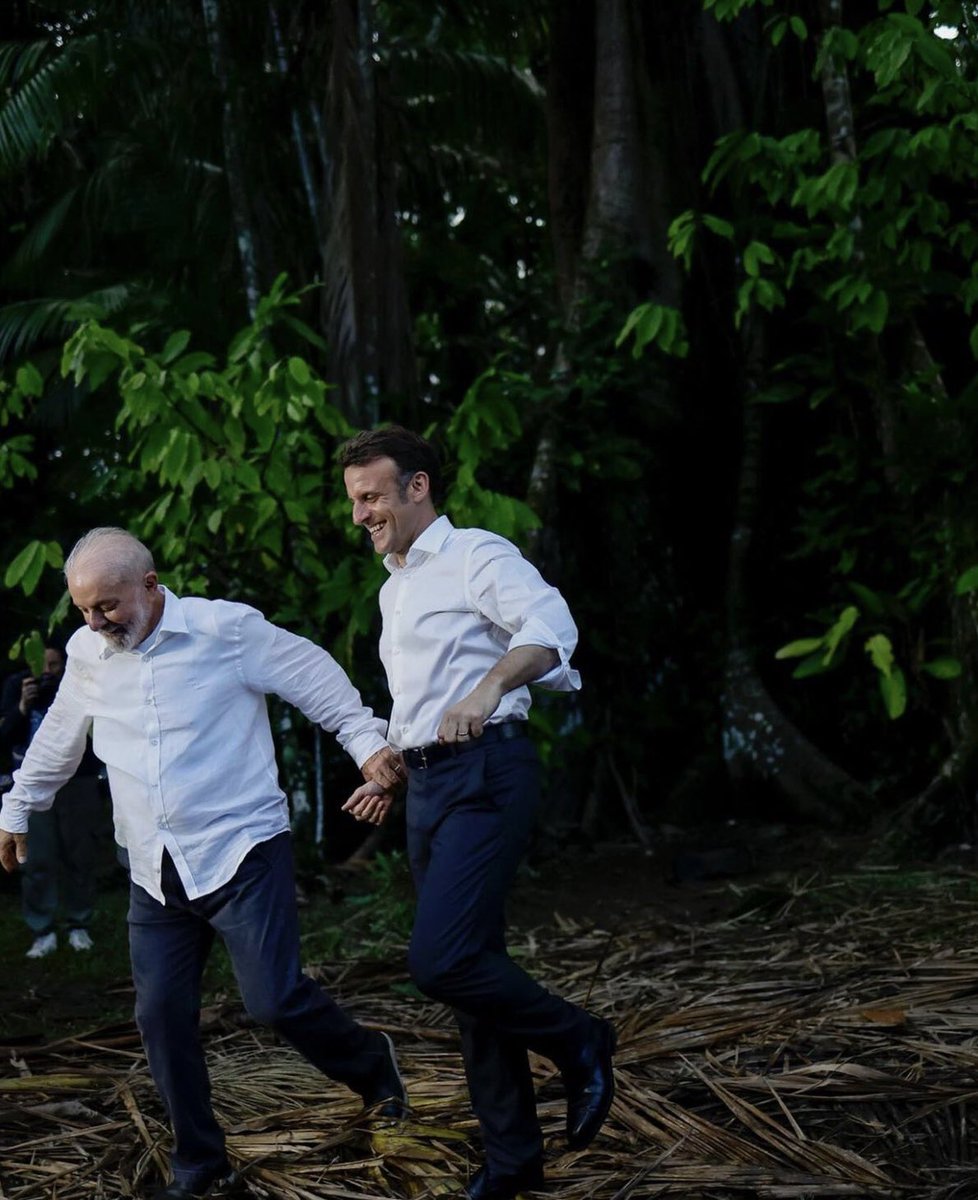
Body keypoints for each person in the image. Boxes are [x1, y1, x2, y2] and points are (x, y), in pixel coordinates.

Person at [0, 528, 407, 1200]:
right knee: (160, 1016)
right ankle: (200, 1164)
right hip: (152, 866)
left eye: (109, 606)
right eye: (84, 611)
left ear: (151, 585)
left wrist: (367, 744)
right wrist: (18, 809)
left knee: (272, 999)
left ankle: (373, 1067)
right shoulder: (87, 653)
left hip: (241, 849)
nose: (97, 623)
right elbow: (59, 738)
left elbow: (314, 677)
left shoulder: (226, 630)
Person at [340, 427, 616, 1200]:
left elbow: (551, 631)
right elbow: (423, 697)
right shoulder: (395, 585)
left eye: (372, 496)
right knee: (470, 975)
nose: (361, 513)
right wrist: (395, 762)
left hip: (488, 772)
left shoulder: (477, 555)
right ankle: (511, 1164)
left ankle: (582, 1041)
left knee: (442, 961)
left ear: (418, 487)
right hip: (429, 785)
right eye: (354, 500)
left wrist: (489, 688)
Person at [0, 640, 105, 957]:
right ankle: (41, 928)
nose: (47, 672)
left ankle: (79, 924)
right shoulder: (17, 686)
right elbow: (4, 736)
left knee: (80, 855)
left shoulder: (77, 684)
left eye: (54, 665)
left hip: (79, 782)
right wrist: (21, 707)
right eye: (40, 665)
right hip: (30, 784)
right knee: (35, 858)